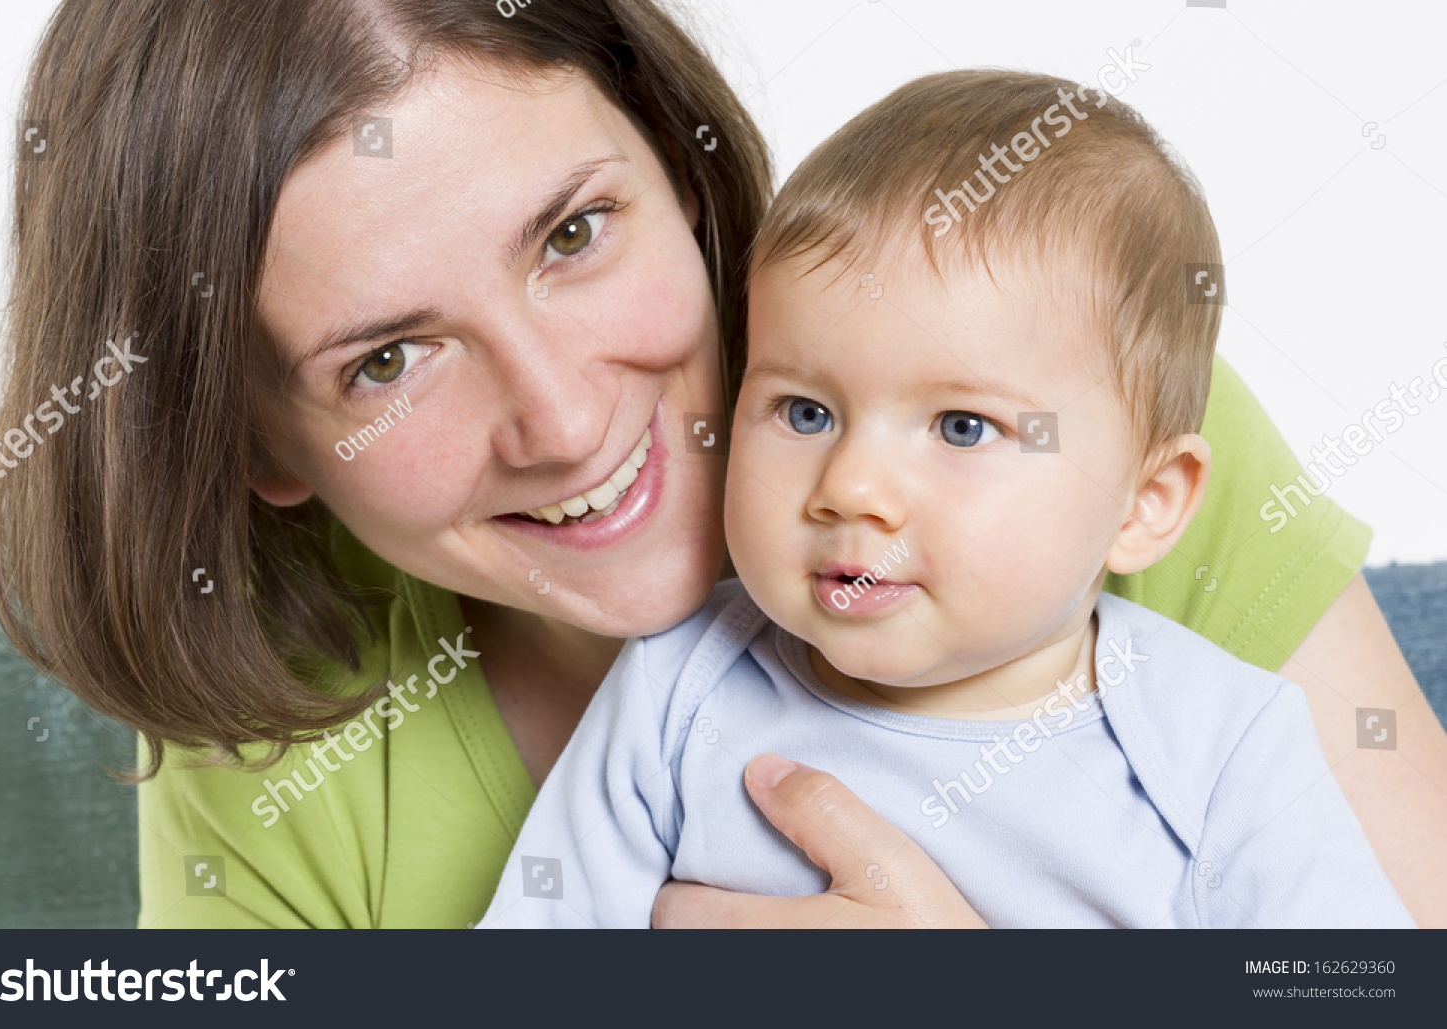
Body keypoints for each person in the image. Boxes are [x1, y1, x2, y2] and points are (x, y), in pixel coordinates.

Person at [0, 0, 1445, 930]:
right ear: (255, 445)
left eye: (573, 231)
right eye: (389, 359)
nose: (559, 419)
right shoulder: (274, 732)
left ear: (678, 167)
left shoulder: (1062, 416)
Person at [476, 70, 1415, 928]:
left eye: (963, 427)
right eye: (803, 410)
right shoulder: (676, 687)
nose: (851, 487)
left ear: (1145, 503)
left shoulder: (1218, 744)